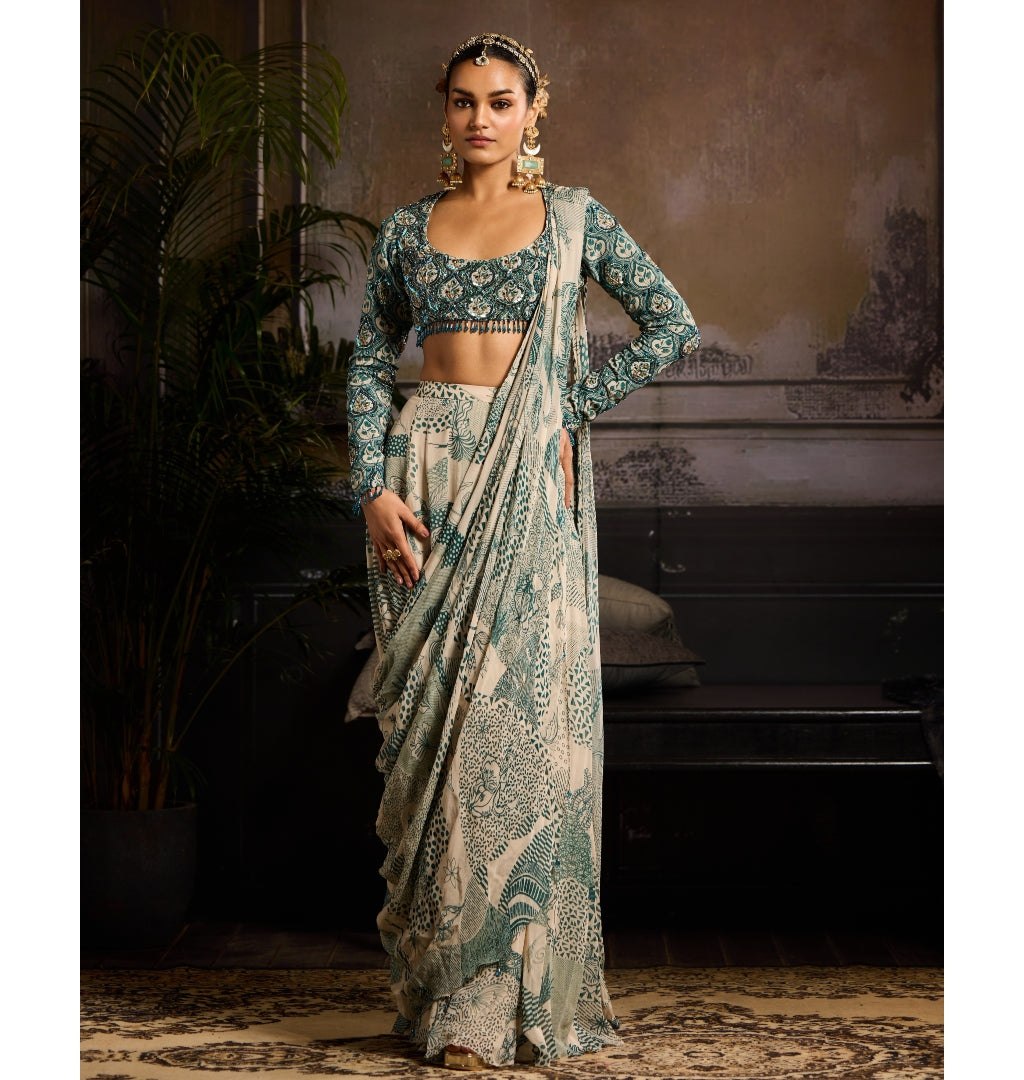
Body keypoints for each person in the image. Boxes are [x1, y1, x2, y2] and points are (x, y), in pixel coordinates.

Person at [346, 32, 700, 1070]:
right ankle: (446, 999)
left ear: (534, 109)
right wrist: (370, 487)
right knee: (440, 747)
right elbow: (368, 359)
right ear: (444, 111)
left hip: (526, 484)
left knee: (519, 740)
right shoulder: (407, 229)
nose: (480, 119)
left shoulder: (574, 219)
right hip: (425, 482)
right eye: (463, 101)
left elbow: (670, 323)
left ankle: (512, 997)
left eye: (501, 101)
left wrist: (565, 408)